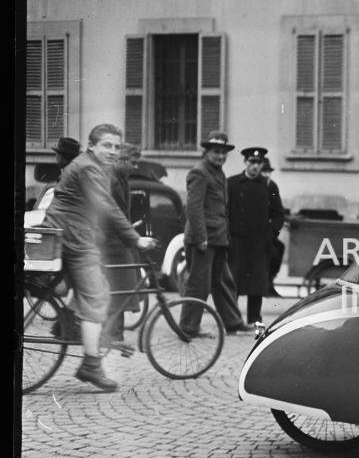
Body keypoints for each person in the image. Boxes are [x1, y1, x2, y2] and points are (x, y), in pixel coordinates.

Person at [41, 124, 158, 391]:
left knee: (95, 288)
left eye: (116, 146)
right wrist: (135, 239)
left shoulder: (90, 165)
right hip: (73, 238)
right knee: (96, 296)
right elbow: (107, 206)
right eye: (107, 145)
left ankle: (69, 325)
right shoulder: (89, 168)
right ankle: (91, 365)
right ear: (92, 146)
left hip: (72, 234)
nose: (113, 151)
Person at [179, 131, 250, 336]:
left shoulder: (217, 173)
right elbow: (193, 208)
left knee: (223, 282)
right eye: (216, 151)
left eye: (223, 152)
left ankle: (233, 323)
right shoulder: (199, 172)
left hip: (217, 238)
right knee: (199, 285)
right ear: (207, 152)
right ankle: (188, 327)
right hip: (203, 239)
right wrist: (201, 237)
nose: (220, 156)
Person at [227, 147, 285, 324]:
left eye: (258, 163)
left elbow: (278, 214)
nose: (255, 166)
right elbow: (224, 210)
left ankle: (254, 318)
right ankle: (232, 319)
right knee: (234, 281)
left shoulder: (269, 186)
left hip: (259, 243)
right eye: (252, 162)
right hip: (237, 242)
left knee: (256, 283)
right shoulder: (232, 184)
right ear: (245, 162)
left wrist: (271, 235)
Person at [99, 143, 142, 349]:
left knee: (121, 289)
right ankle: (111, 335)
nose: (135, 167)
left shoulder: (122, 178)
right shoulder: (110, 180)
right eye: (133, 163)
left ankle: (116, 333)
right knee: (116, 290)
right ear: (120, 160)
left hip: (119, 241)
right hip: (110, 243)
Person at [260, 157, 286, 297]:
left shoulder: (272, 186)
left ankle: (269, 282)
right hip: (249, 234)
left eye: (268, 172)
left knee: (278, 249)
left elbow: (278, 213)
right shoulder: (250, 186)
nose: (266, 175)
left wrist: (272, 233)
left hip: (267, 233)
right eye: (263, 171)